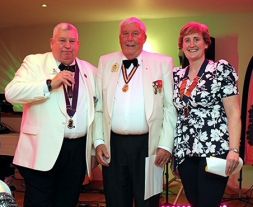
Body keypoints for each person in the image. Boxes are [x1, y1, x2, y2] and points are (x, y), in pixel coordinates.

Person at [5, 22, 97, 207]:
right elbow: (11, 93)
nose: (67, 45)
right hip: (41, 149)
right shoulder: (34, 62)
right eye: (62, 40)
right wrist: (48, 84)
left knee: (68, 200)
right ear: (51, 43)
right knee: (39, 201)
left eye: (72, 41)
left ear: (78, 44)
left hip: (77, 151)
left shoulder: (90, 70)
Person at [93, 17, 177, 207]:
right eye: (125, 33)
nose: (130, 38)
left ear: (144, 37)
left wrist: (166, 144)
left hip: (150, 144)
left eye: (135, 33)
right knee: (115, 199)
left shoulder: (163, 62)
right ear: (119, 37)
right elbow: (98, 107)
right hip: (113, 144)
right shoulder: (105, 61)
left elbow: (170, 107)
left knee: (148, 200)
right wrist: (98, 141)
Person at [173, 22, 241, 207]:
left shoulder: (220, 69)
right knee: (195, 202)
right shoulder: (176, 75)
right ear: (181, 45)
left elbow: (234, 112)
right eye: (187, 40)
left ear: (205, 44)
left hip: (214, 149)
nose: (191, 44)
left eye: (197, 39)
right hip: (185, 150)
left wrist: (234, 150)